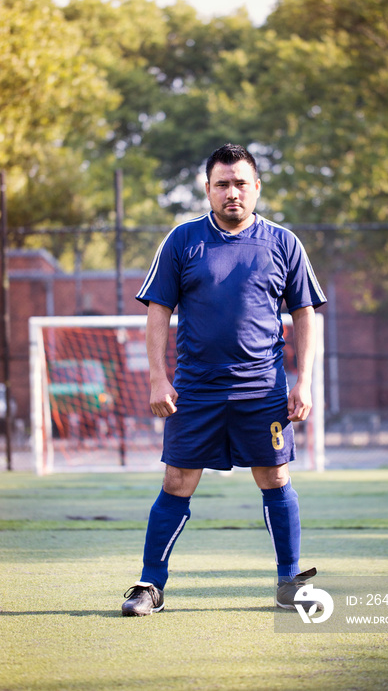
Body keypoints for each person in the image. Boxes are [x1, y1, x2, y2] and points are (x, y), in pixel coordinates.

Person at [122, 143, 326, 616]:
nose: (231, 193)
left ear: (257, 187)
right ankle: (149, 585)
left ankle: (288, 582)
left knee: (276, 477)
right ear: (207, 189)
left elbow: (305, 314)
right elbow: (158, 311)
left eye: (240, 184)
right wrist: (158, 378)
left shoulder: (284, 243)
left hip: (263, 390)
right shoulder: (182, 240)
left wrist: (305, 381)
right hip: (195, 390)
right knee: (176, 480)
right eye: (222, 185)